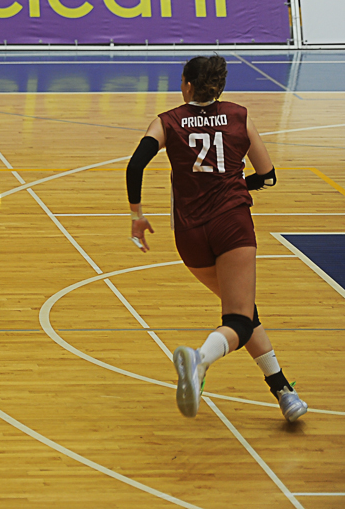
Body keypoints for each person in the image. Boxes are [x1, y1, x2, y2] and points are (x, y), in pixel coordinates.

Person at [125, 56, 307, 422]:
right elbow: (268, 176)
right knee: (239, 318)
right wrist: (236, 184)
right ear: (219, 87)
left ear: (187, 85)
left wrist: (137, 216)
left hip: (189, 233)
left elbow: (135, 165)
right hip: (231, 223)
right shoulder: (239, 116)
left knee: (245, 312)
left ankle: (284, 391)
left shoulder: (166, 121)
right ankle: (200, 359)